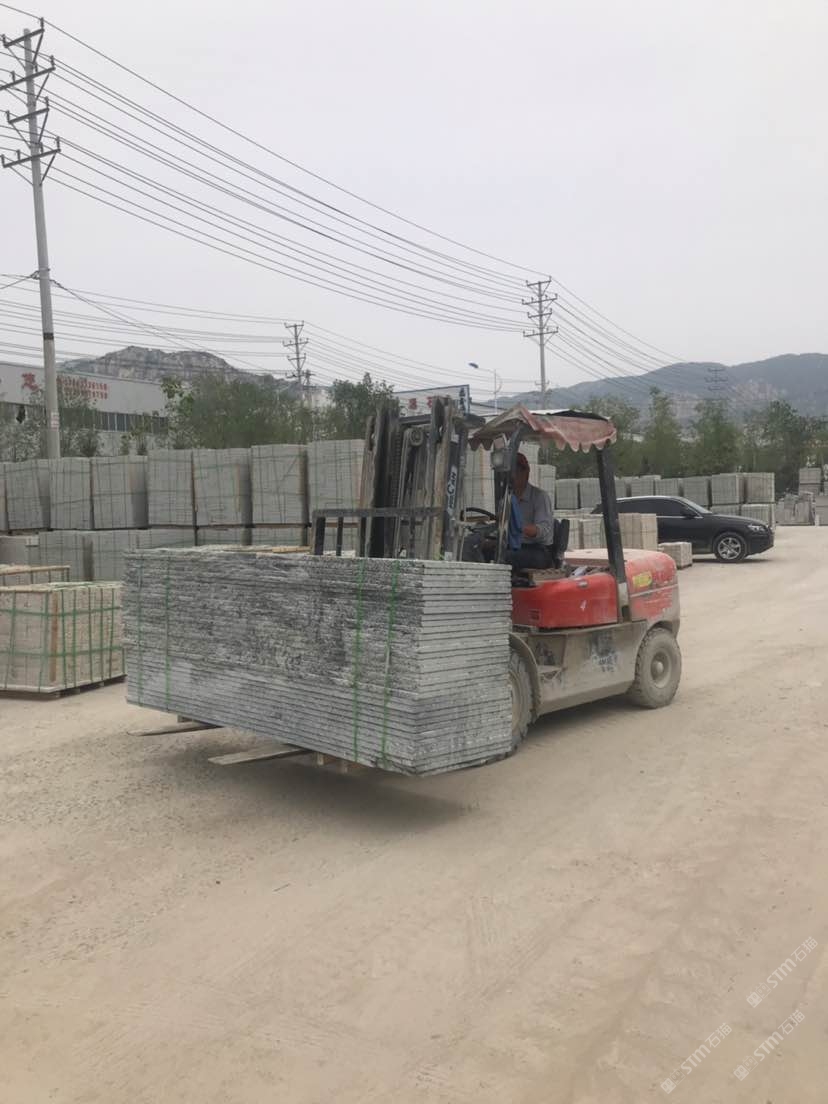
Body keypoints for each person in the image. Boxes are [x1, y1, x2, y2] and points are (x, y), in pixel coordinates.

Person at [505, 451, 555, 568]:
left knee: (505, 557)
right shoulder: (507, 498)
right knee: (483, 551)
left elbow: (544, 530)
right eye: (511, 472)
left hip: (538, 550)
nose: (513, 476)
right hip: (515, 546)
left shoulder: (539, 497)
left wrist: (518, 528)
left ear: (526, 472)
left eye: (517, 471)